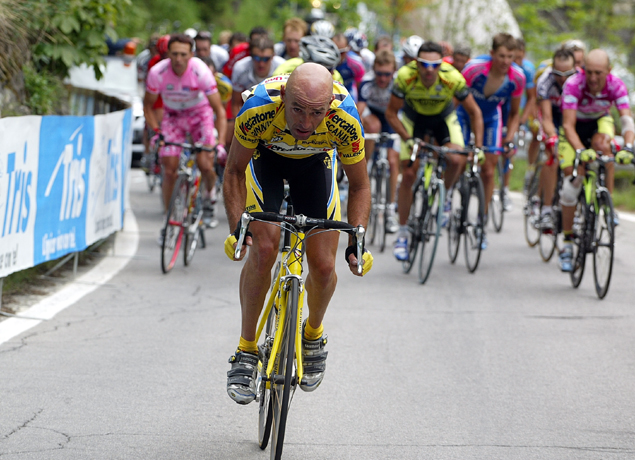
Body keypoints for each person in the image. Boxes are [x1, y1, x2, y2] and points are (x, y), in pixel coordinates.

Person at [223, 63, 372, 404]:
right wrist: (238, 225)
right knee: (264, 249)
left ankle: (313, 334)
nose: (306, 123)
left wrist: (357, 239)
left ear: (329, 106)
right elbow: (233, 171)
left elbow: (360, 184)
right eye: (297, 110)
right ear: (283, 98)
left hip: (315, 165)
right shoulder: (258, 108)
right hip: (267, 160)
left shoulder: (344, 118)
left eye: (316, 112)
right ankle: (246, 351)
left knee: (322, 266)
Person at [385, 41, 484, 261]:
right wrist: (408, 139)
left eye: (435, 65)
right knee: (409, 173)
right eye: (424, 65)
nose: (429, 70)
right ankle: (402, 234)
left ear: (442, 64)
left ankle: (446, 196)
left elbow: (475, 112)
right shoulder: (404, 76)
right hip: (414, 120)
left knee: (457, 159)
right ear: (416, 64)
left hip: (443, 119)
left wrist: (477, 146)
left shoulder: (453, 78)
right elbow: (391, 113)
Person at [144, 34, 227, 241]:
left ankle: (209, 196)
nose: (179, 59)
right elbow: (148, 106)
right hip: (173, 117)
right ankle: (169, 219)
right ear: (168, 55)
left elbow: (219, 110)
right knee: (169, 168)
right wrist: (156, 131)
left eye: (183, 54)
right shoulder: (158, 72)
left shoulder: (200, 71)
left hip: (200, 116)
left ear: (191, 54)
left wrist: (220, 143)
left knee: (205, 163)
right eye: (174, 54)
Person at [558, 49, 634, 271]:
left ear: (608, 72)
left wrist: (628, 147)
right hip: (574, 129)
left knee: (605, 149)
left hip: (599, 121)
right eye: (589, 72)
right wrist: (581, 151)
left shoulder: (616, 85)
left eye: (598, 73)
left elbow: (627, 120)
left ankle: (606, 204)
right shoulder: (573, 84)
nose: (592, 78)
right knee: (571, 185)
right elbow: (568, 125)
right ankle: (568, 242)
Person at [457, 33, 526, 250]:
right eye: (502, 56)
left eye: (510, 57)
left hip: (490, 119)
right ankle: (448, 199)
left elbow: (514, 114)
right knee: (457, 158)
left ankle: (481, 222)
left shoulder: (517, 77)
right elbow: (454, 98)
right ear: (492, 54)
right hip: (463, 114)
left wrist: (508, 138)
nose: (506, 61)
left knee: (488, 170)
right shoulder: (473, 69)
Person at [533, 47, 578, 231]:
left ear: (575, 69)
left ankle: (574, 209)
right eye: (558, 73)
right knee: (552, 155)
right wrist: (552, 138)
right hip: (552, 116)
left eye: (568, 73)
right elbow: (547, 118)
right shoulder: (545, 81)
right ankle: (546, 208)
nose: (563, 78)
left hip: (571, 117)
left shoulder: (579, 81)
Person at [357, 49, 400, 233]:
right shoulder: (367, 82)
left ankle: (390, 210)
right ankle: (367, 164)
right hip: (373, 115)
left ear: (393, 72)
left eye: (387, 74)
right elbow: (359, 111)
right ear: (374, 71)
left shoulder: (399, 84)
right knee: (372, 127)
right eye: (379, 74)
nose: (383, 79)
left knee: (392, 161)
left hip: (393, 117)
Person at [230, 36, 285, 116]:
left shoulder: (282, 67)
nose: (261, 64)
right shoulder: (240, 69)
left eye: (266, 59)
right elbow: (235, 104)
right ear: (250, 55)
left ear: (273, 56)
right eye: (257, 58)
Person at [273, 35, 345, 84]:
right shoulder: (287, 69)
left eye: (331, 69)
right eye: (326, 70)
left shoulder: (336, 77)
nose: (332, 73)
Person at [332, 33, 365, 101]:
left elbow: (359, 88)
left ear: (348, 48)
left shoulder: (356, 65)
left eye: (342, 52)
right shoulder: (324, 63)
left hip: (348, 96)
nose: (338, 56)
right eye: (335, 52)